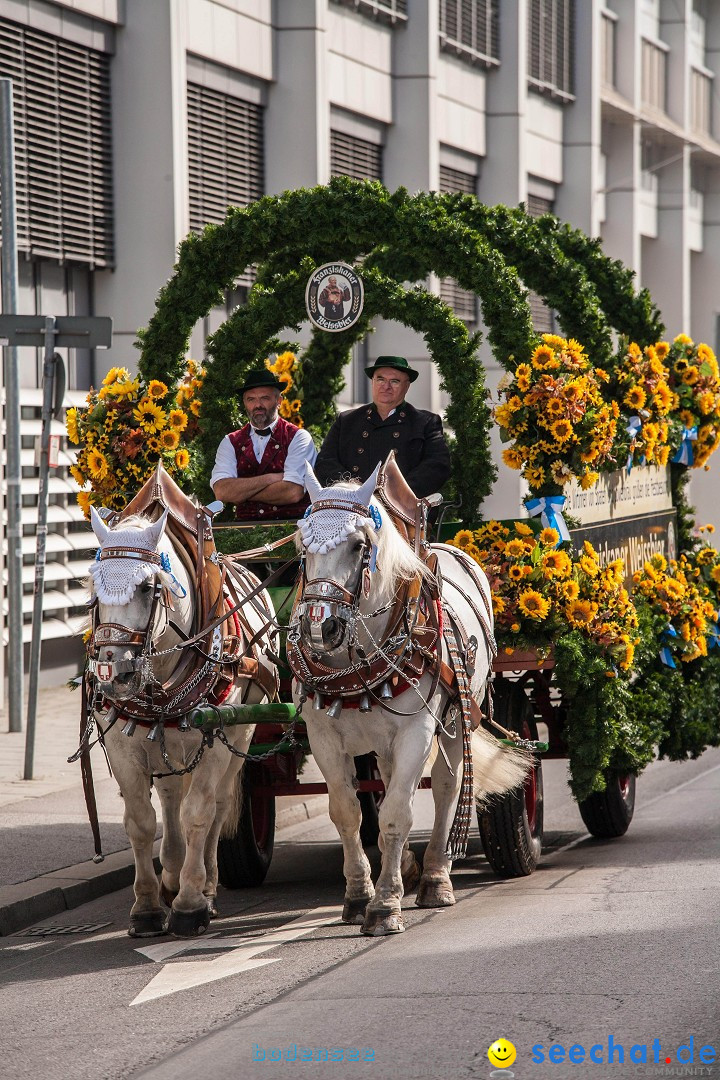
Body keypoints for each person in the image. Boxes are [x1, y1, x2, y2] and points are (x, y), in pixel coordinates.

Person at [314, 356, 451, 498]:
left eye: (394, 381)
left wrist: (393, 493)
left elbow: (437, 466)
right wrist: (352, 489)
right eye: (380, 379)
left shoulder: (425, 422)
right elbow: (326, 462)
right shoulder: (347, 420)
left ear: (407, 386)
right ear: (372, 382)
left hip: (404, 509)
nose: (386, 386)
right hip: (351, 505)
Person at [211, 369, 317, 520]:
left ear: (279, 401)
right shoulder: (230, 442)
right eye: (251, 399)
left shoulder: (298, 437)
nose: (257, 405)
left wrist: (240, 494)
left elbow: (293, 491)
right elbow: (222, 491)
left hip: (290, 530)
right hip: (243, 531)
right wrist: (271, 479)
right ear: (244, 403)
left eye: (265, 398)